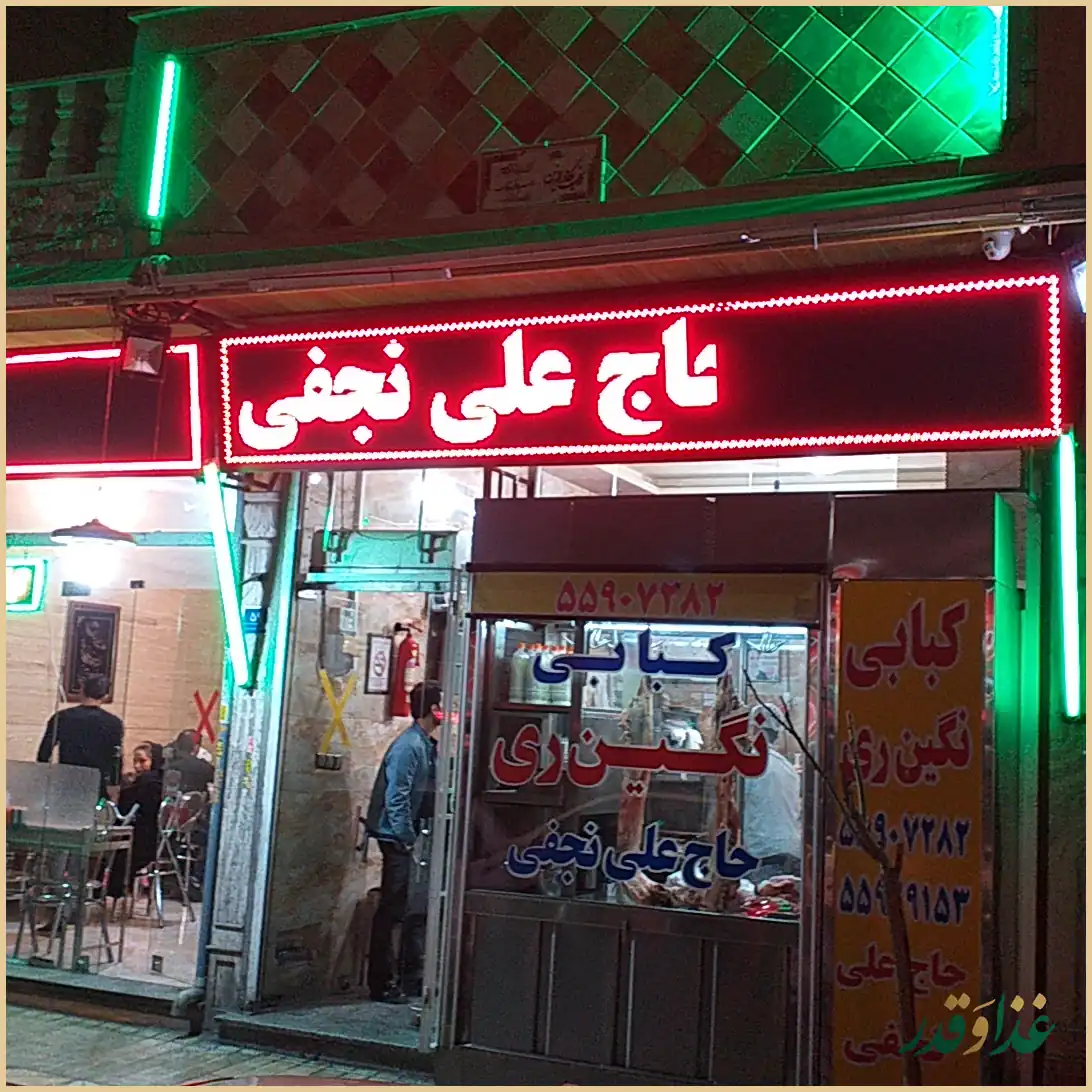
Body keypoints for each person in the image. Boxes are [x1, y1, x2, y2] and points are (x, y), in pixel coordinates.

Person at [365, 679, 440, 1004]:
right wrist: (406, 837)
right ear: (433, 709)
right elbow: (397, 796)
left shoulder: (423, 744)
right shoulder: (409, 747)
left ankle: (409, 977)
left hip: (406, 836)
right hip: (396, 838)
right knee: (392, 911)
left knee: (407, 909)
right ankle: (382, 982)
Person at [36, 674, 123, 799]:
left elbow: (44, 753)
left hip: (67, 780)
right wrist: (114, 784)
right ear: (105, 695)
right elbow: (116, 758)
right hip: (97, 783)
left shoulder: (62, 717)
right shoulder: (114, 723)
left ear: (81, 690)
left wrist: (44, 778)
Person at [741, 707, 802, 884]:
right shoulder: (787, 767)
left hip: (762, 854)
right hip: (791, 850)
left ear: (752, 730)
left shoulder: (750, 765)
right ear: (778, 733)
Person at [107, 742, 165, 900]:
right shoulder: (161, 780)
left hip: (140, 843)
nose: (137, 766)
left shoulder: (147, 783)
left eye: (142, 761)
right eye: (135, 761)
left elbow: (126, 811)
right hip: (158, 843)